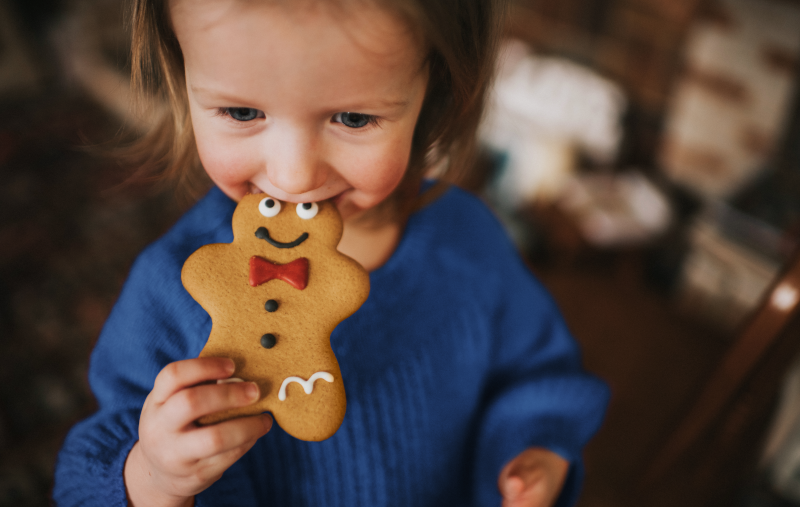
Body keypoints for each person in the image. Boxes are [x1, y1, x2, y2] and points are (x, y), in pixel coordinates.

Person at [54, 0, 609, 506]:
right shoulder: (170, 290)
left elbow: (537, 372)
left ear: (434, 89)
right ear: (183, 79)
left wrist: (534, 447)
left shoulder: (469, 237)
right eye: (242, 113)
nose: (293, 175)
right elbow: (82, 479)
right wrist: (153, 477)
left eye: (353, 118)